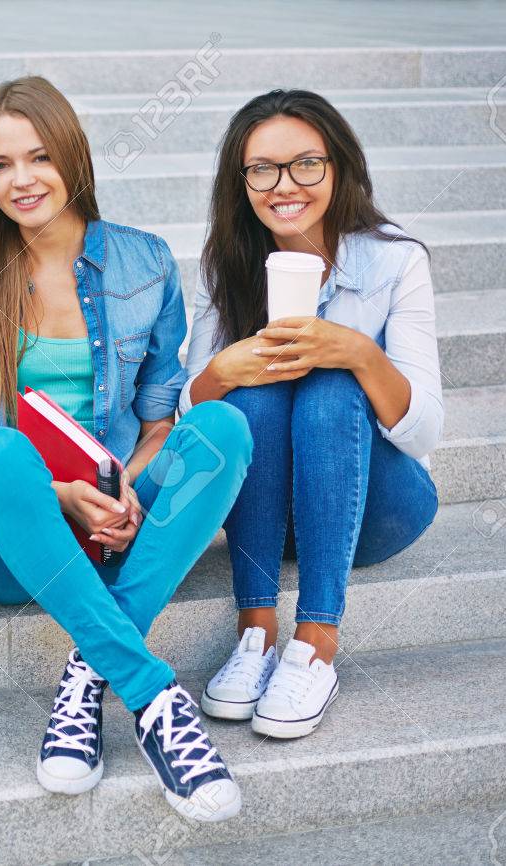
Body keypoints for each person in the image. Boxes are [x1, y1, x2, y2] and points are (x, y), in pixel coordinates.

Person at [0, 76, 253, 823]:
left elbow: (157, 424)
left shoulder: (143, 264)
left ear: (72, 156)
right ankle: (151, 697)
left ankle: (87, 669)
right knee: (0, 451)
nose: (20, 181)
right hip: (11, 537)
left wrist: (127, 488)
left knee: (226, 429)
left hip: (115, 515)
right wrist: (60, 497)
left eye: (38, 157)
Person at [185, 89, 441, 740]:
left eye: (306, 164)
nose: (284, 185)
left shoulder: (395, 261)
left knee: (330, 384)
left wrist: (356, 352)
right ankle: (255, 635)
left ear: (339, 167)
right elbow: (193, 415)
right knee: (257, 386)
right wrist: (224, 371)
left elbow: (425, 431)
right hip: (270, 514)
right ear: (241, 183)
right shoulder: (230, 264)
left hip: (377, 506)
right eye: (262, 169)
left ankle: (317, 643)